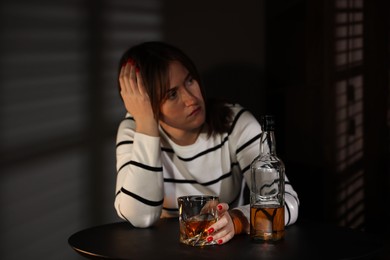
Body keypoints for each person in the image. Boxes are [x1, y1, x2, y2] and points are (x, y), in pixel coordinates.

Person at [114, 41, 299, 245]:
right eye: (172, 94)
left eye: (190, 80)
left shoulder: (235, 122)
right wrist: (147, 126)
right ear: (146, 102)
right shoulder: (135, 129)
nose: (191, 99)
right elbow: (141, 217)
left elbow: (288, 201)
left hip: (226, 251)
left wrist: (237, 221)